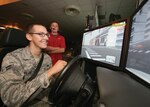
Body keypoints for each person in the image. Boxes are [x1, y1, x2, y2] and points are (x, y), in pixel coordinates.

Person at [0, 23, 67, 107]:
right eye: (41, 34)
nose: (46, 38)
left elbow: (49, 82)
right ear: (29, 37)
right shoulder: (13, 58)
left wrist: (57, 76)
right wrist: (50, 72)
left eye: (47, 34)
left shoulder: (46, 58)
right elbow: (12, 98)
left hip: (47, 100)